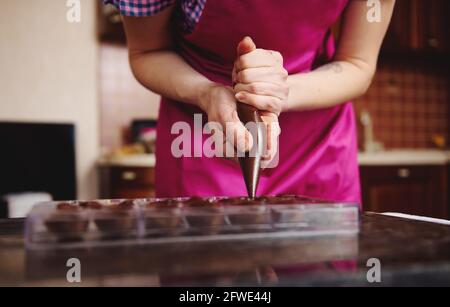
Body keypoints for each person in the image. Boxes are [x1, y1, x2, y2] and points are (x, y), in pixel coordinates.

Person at [104, 0, 395, 202]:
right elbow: (148, 52)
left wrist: (280, 91)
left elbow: (357, 64)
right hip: (200, 135)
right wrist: (206, 93)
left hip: (317, 146)